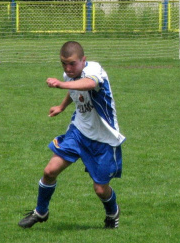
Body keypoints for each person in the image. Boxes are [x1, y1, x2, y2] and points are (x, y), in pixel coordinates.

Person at [18, 41, 125, 229]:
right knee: (49, 171)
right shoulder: (69, 76)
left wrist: (60, 84)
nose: (68, 69)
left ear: (83, 60)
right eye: (63, 64)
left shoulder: (95, 69)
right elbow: (74, 89)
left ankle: (112, 212)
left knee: (100, 189)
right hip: (79, 132)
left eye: (72, 64)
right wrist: (61, 106)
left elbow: (89, 84)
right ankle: (41, 211)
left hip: (104, 139)